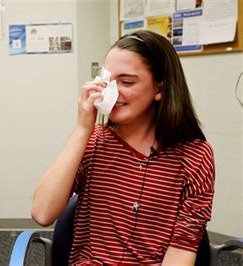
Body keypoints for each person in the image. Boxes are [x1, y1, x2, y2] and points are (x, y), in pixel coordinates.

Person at [31, 30, 215, 265]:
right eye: (108, 82)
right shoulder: (93, 141)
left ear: (160, 89)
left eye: (126, 82)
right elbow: (42, 212)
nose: (112, 92)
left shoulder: (195, 156)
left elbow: (181, 251)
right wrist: (81, 130)